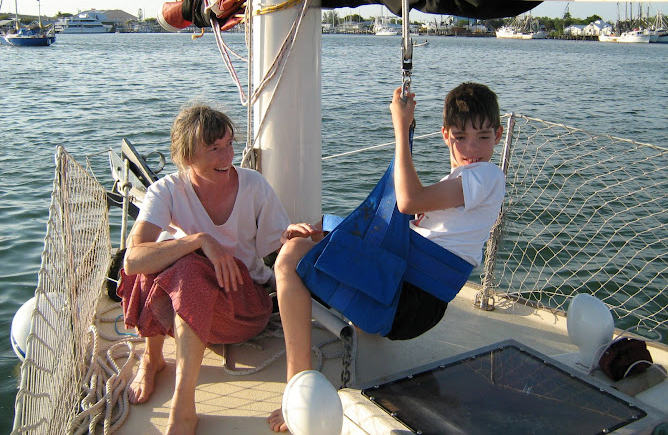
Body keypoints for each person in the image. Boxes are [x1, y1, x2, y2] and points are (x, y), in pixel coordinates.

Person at [267, 83, 505, 432]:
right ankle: (349, 316)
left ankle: (298, 390)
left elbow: (406, 201)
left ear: (498, 135)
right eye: (460, 137)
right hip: (409, 299)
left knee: (288, 258)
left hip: (407, 301)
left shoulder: (486, 175)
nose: (472, 148)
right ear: (445, 136)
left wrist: (400, 127)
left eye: (483, 137)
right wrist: (322, 227)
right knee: (312, 239)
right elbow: (392, 224)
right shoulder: (456, 183)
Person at [118, 103, 315, 435]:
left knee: (183, 269)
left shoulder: (254, 186)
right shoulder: (167, 190)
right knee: (160, 259)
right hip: (191, 305)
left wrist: (291, 236)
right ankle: (153, 359)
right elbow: (132, 260)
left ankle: (183, 407)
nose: (227, 157)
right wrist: (200, 240)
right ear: (187, 154)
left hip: (243, 307)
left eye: (229, 145)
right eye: (214, 149)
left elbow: (275, 246)